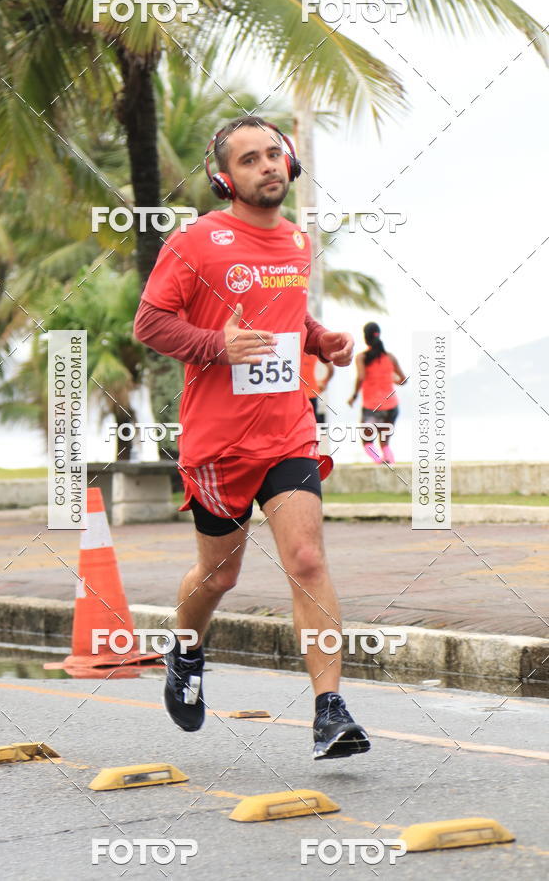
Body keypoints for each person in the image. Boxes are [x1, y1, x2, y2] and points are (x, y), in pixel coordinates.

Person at [134, 116, 370, 760]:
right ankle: (184, 652)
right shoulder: (195, 244)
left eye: (274, 155)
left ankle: (330, 711)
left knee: (308, 560)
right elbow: (150, 323)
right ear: (223, 178)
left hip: (288, 431)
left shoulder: (296, 241)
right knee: (218, 577)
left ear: (289, 164)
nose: (267, 166)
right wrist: (217, 345)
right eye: (249, 160)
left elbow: (287, 310)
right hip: (219, 446)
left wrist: (321, 340)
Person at [348, 322, 406, 464]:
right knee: (385, 442)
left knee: (367, 442)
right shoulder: (390, 357)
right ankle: (390, 463)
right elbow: (403, 380)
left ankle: (378, 461)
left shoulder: (362, 357)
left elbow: (361, 377)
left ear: (365, 338)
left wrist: (354, 396)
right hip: (391, 407)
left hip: (372, 407)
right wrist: (392, 379)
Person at [300, 352, 334, 424]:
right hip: (308, 394)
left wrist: (324, 382)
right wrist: (324, 382)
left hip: (308, 394)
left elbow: (331, 368)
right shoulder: (314, 352)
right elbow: (331, 368)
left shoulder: (311, 352)